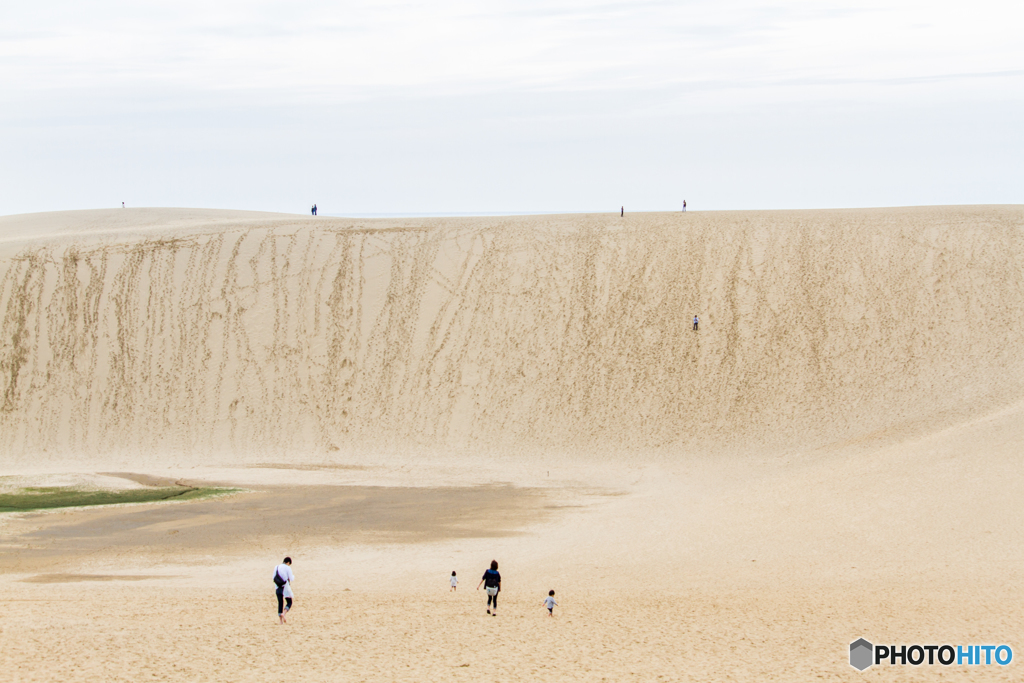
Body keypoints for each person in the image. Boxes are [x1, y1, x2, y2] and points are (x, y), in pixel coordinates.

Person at [273, 557, 295, 624]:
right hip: (285, 587)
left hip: (277, 587)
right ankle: (284, 613)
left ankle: (280, 621)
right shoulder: (287, 568)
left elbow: (273, 577)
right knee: (289, 602)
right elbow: (291, 578)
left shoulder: (276, 567)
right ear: (288, 562)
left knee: (280, 603)